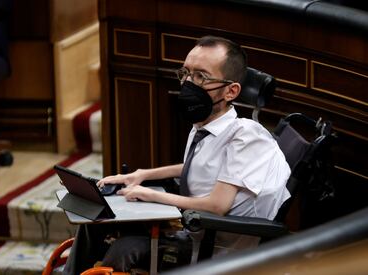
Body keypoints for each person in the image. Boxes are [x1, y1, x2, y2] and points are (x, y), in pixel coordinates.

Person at [63, 35, 291, 274]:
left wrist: (151, 195)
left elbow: (216, 206)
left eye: (200, 76)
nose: (188, 83)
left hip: (216, 251)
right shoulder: (204, 125)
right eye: (185, 73)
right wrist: (141, 175)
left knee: (124, 248)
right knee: (96, 222)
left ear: (230, 91)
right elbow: (201, 167)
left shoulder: (246, 136)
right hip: (192, 230)